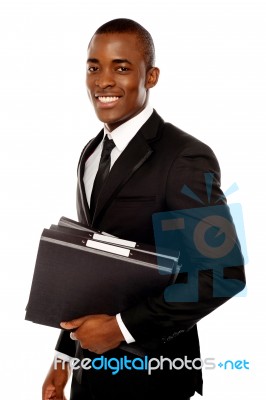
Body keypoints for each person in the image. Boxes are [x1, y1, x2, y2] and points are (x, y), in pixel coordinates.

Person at [42, 18, 246, 400]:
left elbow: (222, 274)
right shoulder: (89, 154)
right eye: (93, 67)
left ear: (150, 76)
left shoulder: (185, 157)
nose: (103, 81)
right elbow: (90, 270)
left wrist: (120, 329)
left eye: (121, 67)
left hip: (155, 378)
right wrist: (63, 358)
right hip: (91, 375)